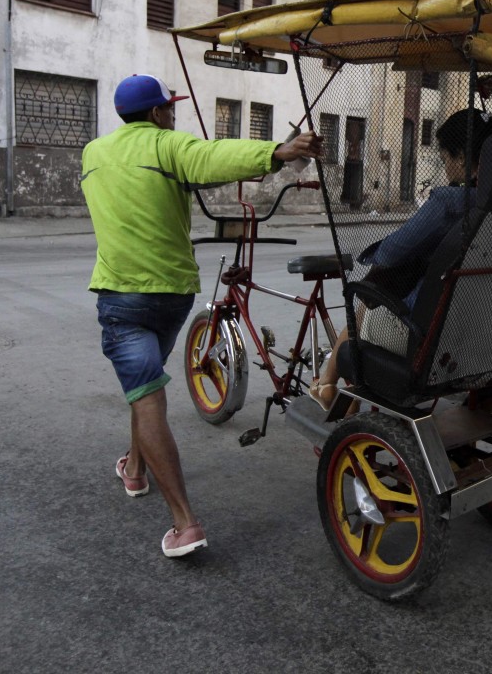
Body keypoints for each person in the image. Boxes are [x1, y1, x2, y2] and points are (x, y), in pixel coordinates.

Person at [81, 73, 322, 558]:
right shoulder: (168, 146)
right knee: (144, 387)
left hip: (121, 295)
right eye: (169, 108)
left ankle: (185, 524)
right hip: (171, 295)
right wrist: (279, 151)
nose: (173, 115)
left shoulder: (93, 154)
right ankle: (134, 470)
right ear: (155, 114)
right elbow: (214, 157)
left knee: (145, 392)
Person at [311, 107, 492, 410]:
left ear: (463, 158)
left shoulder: (449, 203)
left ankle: (330, 388)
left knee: (366, 302)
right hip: (484, 330)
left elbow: (390, 253)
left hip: (429, 336)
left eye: (445, 160)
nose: (447, 169)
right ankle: (333, 390)